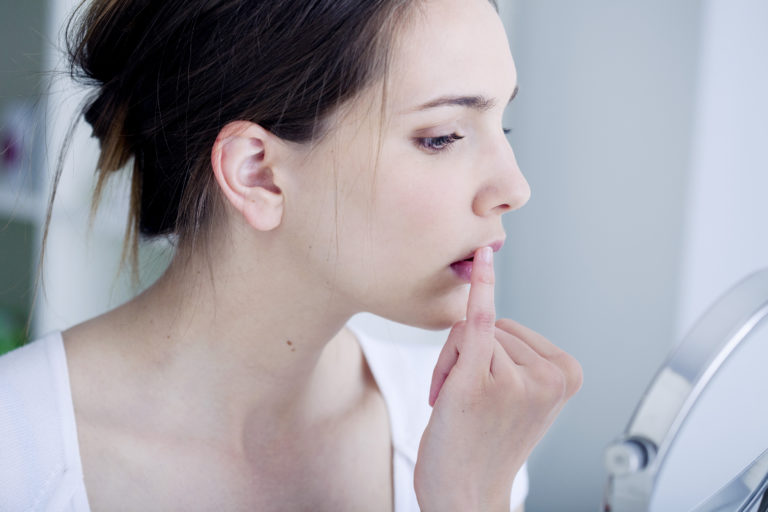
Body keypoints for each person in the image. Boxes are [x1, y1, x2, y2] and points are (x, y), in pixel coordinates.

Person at [0, 0, 583, 510]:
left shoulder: (465, 432)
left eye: (502, 127)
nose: (515, 188)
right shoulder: (18, 452)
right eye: (443, 137)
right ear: (258, 174)